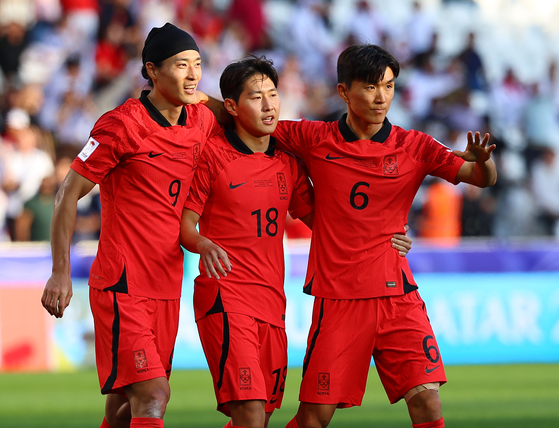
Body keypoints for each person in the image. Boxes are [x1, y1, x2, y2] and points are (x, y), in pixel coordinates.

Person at [271, 44, 497, 428]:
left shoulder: (415, 146)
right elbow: (248, 120)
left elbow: (481, 179)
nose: (382, 98)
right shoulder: (314, 137)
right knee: (314, 417)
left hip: (398, 295)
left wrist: (484, 160)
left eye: (389, 86)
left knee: (428, 403)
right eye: (372, 87)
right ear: (344, 92)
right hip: (339, 297)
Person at [187, 57, 412, 428]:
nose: (268, 105)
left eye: (273, 95)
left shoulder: (287, 164)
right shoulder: (212, 155)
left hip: (273, 303)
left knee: (264, 414)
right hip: (225, 296)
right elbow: (186, 226)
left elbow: (326, 222)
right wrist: (202, 244)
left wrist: (386, 234)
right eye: (256, 97)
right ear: (231, 106)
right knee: (251, 412)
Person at [41, 23, 221, 428]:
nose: (193, 74)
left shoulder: (200, 120)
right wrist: (60, 272)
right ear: (152, 71)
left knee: (125, 409)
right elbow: (66, 194)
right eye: (181, 65)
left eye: (197, 64)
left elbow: (238, 113)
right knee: (154, 395)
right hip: (122, 285)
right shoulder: (121, 125)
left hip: (167, 286)